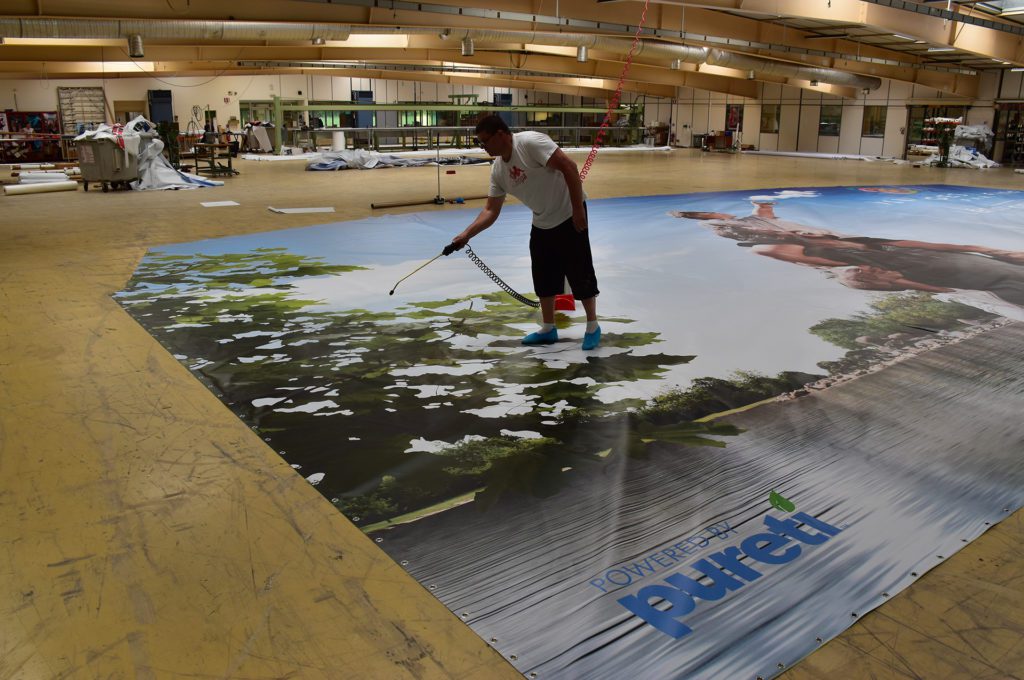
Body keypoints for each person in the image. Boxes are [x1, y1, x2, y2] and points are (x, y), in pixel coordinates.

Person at [671, 201, 1024, 313]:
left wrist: (991, 249)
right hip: (978, 277)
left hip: (982, 266)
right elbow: (775, 247)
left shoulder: (861, 241)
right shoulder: (816, 250)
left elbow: (921, 244)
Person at [450, 115, 601, 350]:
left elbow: (569, 167)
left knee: (579, 270)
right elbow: (490, 210)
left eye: (485, 141)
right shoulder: (498, 170)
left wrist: (577, 209)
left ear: (501, 134)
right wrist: (466, 234)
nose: (484, 147)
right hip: (542, 221)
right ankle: (548, 328)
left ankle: (592, 326)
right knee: (543, 275)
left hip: (568, 213)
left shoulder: (530, 143)